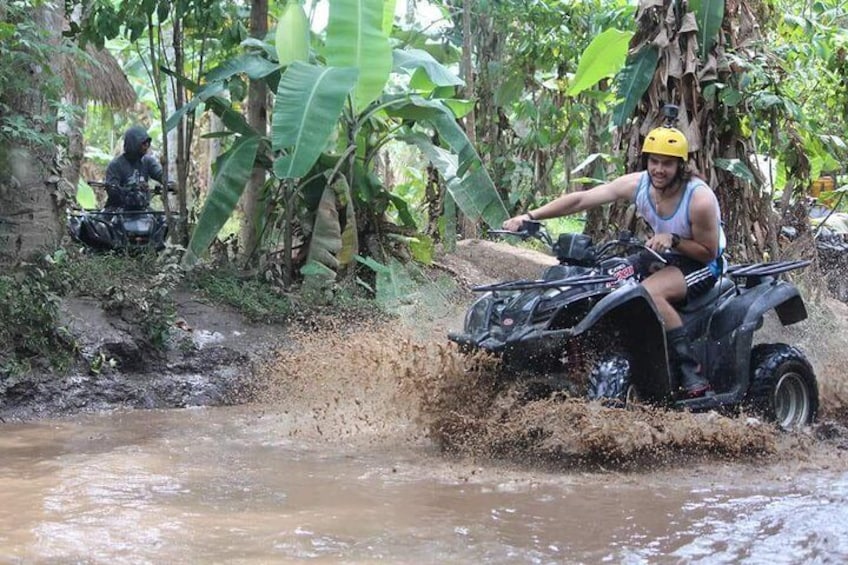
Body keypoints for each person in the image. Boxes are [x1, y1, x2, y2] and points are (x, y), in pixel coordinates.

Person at [502, 113, 723, 398]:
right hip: (663, 255)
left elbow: (709, 251)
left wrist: (675, 239)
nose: (658, 169)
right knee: (603, 278)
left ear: (681, 165)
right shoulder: (640, 184)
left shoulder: (699, 199)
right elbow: (583, 199)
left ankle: (689, 370)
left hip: (701, 263)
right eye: (653, 161)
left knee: (648, 294)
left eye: (667, 164)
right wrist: (530, 215)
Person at [104, 125, 163, 209]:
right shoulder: (116, 165)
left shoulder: (148, 161)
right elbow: (112, 191)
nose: (146, 146)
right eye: (143, 143)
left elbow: (160, 174)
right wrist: (133, 189)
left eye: (148, 143)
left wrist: (170, 183)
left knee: (167, 220)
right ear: (133, 143)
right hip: (118, 210)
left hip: (142, 210)